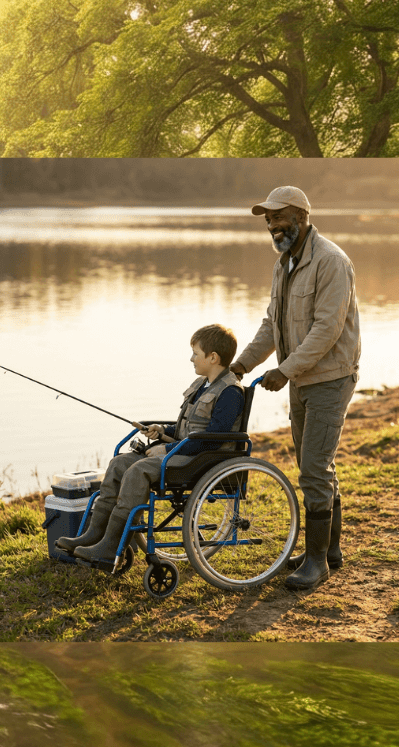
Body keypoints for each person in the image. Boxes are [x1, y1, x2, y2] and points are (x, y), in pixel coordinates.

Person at [228, 186, 361, 592]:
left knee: (313, 469)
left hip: (329, 378)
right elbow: (273, 324)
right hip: (301, 378)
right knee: (316, 465)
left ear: (301, 217)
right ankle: (329, 552)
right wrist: (241, 364)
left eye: (279, 217)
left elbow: (326, 330)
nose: (272, 225)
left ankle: (317, 563)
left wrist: (283, 371)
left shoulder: (331, 261)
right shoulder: (284, 262)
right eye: (268, 219)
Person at [56, 324, 245, 568]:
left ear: (213, 357)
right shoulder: (202, 384)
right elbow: (186, 429)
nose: (191, 358)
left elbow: (211, 438)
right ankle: (95, 535)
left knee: (138, 470)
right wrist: (162, 431)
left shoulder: (230, 392)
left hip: (202, 460)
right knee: (119, 464)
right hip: (184, 451)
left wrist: (166, 449)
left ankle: (111, 546)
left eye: (196, 354)